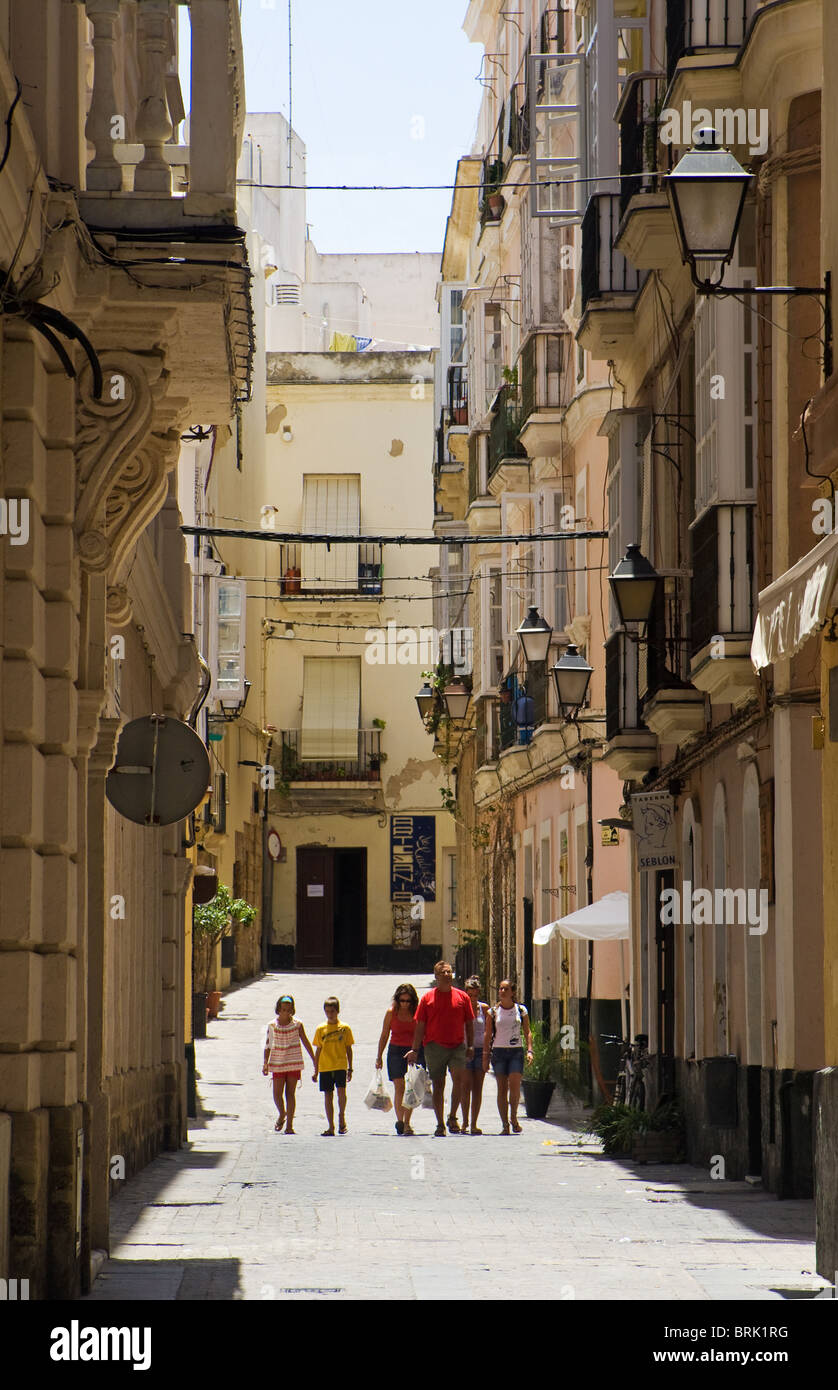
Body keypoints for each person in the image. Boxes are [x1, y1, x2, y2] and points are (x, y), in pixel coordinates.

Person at [406, 961, 474, 1136]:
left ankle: (452, 1116)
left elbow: (469, 1023)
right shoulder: (427, 999)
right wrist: (415, 1049)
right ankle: (440, 1123)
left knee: (458, 1079)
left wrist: (471, 1045)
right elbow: (420, 1025)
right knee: (439, 1084)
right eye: (444, 972)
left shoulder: (462, 997)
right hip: (434, 1047)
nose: (448, 975)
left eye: (450, 972)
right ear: (436, 976)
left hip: (457, 1045)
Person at [483, 980, 533, 1134]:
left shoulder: (521, 1010)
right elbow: (488, 1034)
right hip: (498, 1052)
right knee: (502, 1088)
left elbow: (527, 1031)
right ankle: (505, 1124)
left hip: (516, 1051)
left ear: (512, 992)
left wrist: (530, 1050)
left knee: (515, 1085)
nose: (502, 991)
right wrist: (485, 1055)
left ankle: (513, 1118)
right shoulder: (493, 1012)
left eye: (506, 989)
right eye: (500, 988)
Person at [263, 994, 316, 1134]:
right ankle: (282, 1113)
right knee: (277, 1094)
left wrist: (314, 1059)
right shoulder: (272, 1025)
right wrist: (265, 1063)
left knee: (290, 1094)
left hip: (293, 1062)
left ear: (292, 1010)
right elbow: (268, 1045)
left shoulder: (297, 1025)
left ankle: (289, 1126)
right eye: (283, 1009)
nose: (285, 1012)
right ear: (278, 1009)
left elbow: (305, 1041)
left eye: (288, 1009)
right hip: (278, 1062)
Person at [376, 983, 423, 1135]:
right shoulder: (391, 1012)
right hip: (395, 1051)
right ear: (397, 999)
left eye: (408, 1001)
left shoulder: (417, 1013)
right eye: (402, 1000)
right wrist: (379, 1056)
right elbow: (384, 1035)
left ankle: (408, 1123)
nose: (404, 1004)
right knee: (399, 1086)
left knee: (411, 1087)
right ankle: (400, 1121)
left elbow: (422, 1033)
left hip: (413, 1051)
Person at [312, 996, 354, 1136]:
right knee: (328, 1095)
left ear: (338, 1011)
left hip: (340, 1065)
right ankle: (331, 1126)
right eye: (327, 1011)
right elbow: (318, 1049)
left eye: (332, 1011)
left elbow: (349, 1048)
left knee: (341, 1092)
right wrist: (315, 1069)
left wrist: (350, 1067)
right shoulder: (320, 1029)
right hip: (325, 1066)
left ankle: (341, 1116)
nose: (330, 1014)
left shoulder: (344, 1028)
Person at [460, 976, 490, 1135]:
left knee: (478, 1088)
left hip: (480, 1051)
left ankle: (474, 1123)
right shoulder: (460, 1008)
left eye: (475, 995)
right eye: (469, 995)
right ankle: (464, 1121)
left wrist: (487, 1052)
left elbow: (489, 1031)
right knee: (465, 1087)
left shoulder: (484, 1009)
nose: (472, 998)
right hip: (464, 1051)